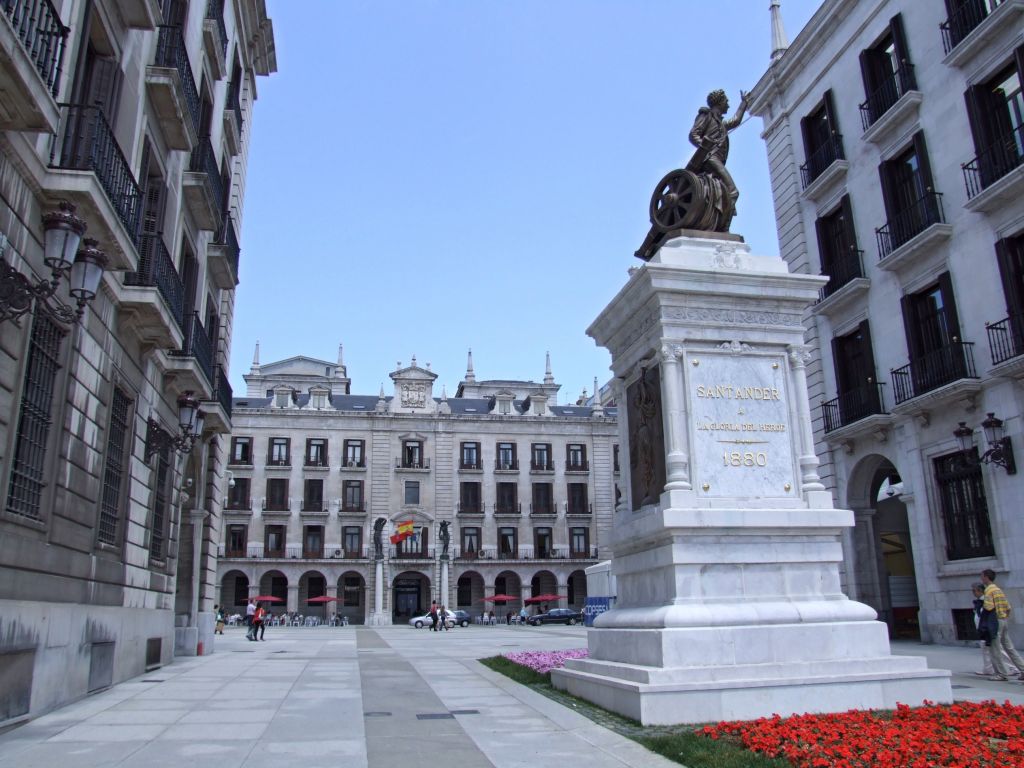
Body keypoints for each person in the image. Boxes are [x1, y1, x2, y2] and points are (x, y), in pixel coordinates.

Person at [687, 88, 748, 219]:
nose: (728, 105)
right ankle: (724, 222)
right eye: (726, 101)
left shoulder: (721, 123)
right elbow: (693, 134)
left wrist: (744, 104)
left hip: (716, 159)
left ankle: (717, 218)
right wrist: (705, 148)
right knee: (733, 191)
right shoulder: (706, 116)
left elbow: (735, 121)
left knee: (719, 192)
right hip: (710, 158)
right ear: (719, 102)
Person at [980, 569, 1024, 681]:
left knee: (995, 648)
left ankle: (1001, 673)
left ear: (986, 577)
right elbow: (1008, 607)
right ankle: (1023, 669)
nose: (981, 578)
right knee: (1009, 647)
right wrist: (1004, 616)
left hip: (994, 622)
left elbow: (988, 607)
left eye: (982, 576)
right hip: (1003, 619)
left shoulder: (988, 590)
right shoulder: (998, 589)